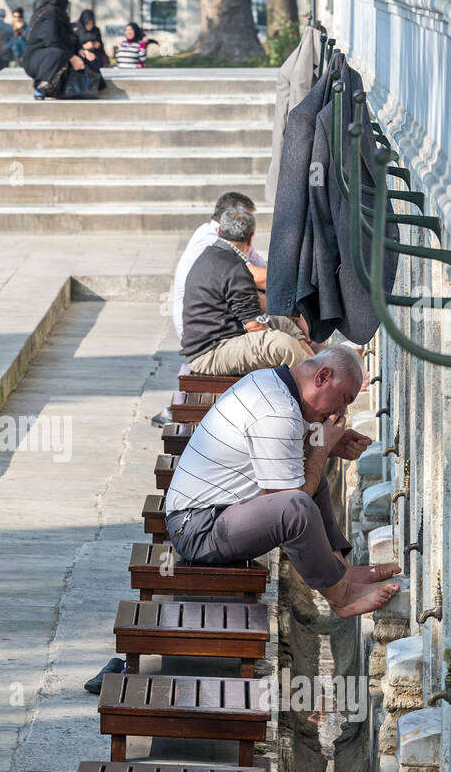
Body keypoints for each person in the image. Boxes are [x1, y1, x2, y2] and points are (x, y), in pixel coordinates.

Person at [164, 347, 401, 619]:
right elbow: (287, 498)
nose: (342, 410)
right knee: (296, 507)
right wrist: (322, 448)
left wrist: (327, 444)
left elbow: (290, 456)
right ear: (322, 377)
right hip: (198, 529)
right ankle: (342, 597)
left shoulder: (274, 384)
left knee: (314, 481)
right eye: (343, 399)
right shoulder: (276, 410)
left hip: (215, 515)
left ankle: (341, 570)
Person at [180, 206, 314, 373]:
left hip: (217, 342)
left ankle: (314, 364)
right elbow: (255, 327)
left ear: (220, 230)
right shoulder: (234, 267)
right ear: (251, 238)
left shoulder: (212, 255)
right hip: (210, 354)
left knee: (284, 324)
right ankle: (316, 379)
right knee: (283, 345)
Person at [172, 193, 266, 342]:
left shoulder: (235, 236)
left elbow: (265, 271)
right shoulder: (209, 239)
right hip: (204, 329)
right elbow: (258, 278)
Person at [22, 0, 92, 101]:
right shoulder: (48, 14)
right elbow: (51, 41)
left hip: (47, 58)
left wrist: (80, 50)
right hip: (37, 60)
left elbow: (68, 38)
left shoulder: (59, 15)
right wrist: (72, 58)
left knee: (83, 58)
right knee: (58, 53)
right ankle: (41, 86)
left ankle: (58, 88)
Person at [73, 8, 108, 90]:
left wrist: (97, 45)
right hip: (83, 57)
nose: (90, 26)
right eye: (87, 23)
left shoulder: (96, 30)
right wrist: (84, 47)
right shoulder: (77, 31)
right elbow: (75, 47)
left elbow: (101, 44)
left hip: (96, 57)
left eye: (91, 23)